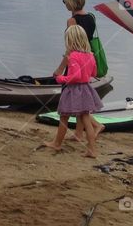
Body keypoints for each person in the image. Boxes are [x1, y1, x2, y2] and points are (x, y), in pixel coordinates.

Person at [43, 25, 104, 157]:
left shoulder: (73, 56)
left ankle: (57, 143)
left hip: (73, 90)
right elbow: (94, 73)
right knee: (86, 119)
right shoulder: (91, 55)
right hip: (86, 89)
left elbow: (75, 77)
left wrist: (60, 78)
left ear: (70, 40)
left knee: (64, 116)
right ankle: (92, 150)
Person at [55, 0, 99, 142]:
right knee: (82, 99)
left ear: (71, 2)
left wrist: (60, 68)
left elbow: (70, 47)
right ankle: (79, 133)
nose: (64, 4)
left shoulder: (72, 21)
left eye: (65, 1)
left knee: (69, 99)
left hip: (74, 61)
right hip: (87, 59)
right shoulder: (91, 18)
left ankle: (60, 140)